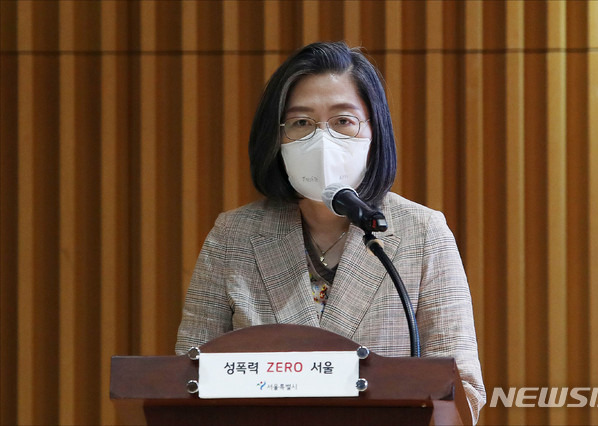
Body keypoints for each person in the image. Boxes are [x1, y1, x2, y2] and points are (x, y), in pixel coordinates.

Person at [175, 41, 486, 422]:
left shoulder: (422, 233)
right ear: (277, 137)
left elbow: (464, 389)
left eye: (343, 121)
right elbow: (185, 381)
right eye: (301, 123)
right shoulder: (233, 236)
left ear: (374, 129)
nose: (323, 141)